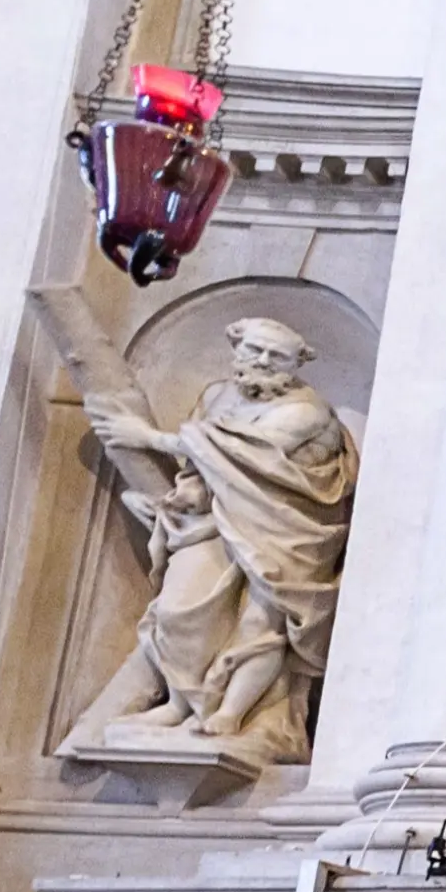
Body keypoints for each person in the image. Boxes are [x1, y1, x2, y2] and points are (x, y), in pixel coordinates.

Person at [67, 316, 360, 766]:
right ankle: (181, 704)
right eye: (255, 350)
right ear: (236, 350)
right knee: (177, 608)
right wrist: (174, 501)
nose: (263, 361)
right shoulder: (215, 396)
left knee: (262, 627)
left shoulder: (306, 411)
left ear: (295, 364)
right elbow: (204, 468)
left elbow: (241, 454)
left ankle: (231, 714)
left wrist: (148, 438)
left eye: (276, 356)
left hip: (285, 532)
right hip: (214, 521)